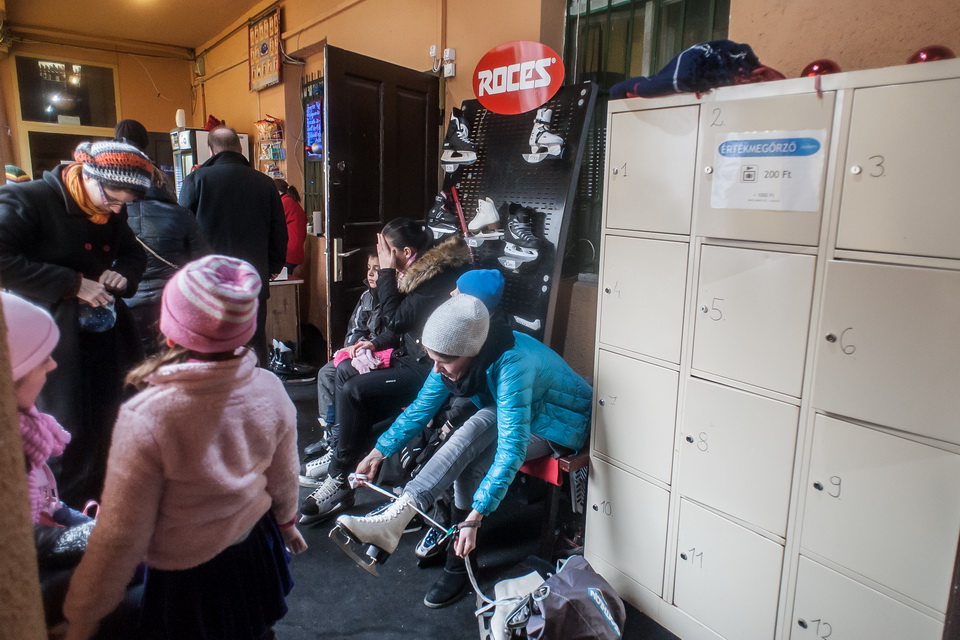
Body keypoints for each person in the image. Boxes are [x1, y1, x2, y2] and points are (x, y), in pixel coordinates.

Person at [61, 255, 307, 640]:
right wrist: (287, 523)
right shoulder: (269, 387)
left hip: (188, 576)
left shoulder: (148, 415)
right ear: (245, 329)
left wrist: (83, 613)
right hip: (255, 550)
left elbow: (121, 534)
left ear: (171, 332)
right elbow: (285, 474)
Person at [335, 294, 592, 608]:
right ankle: (408, 522)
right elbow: (420, 409)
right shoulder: (458, 355)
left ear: (469, 352)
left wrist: (476, 516)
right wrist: (378, 452)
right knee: (472, 431)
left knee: (476, 445)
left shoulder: (513, 363)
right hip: (518, 410)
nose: (436, 368)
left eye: (443, 361)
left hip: (558, 424)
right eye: (433, 359)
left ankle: (452, 558)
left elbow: (511, 450)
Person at [0, 140, 151, 506]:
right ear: (89, 177)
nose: (116, 210)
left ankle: (106, 506)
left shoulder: (111, 208)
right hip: (53, 339)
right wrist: (72, 283)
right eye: (112, 200)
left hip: (106, 335)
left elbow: (133, 253)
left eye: (125, 204)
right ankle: (64, 513)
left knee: (112, 418)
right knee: (66, 430)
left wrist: (123, 274)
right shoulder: (29, 200)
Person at [299, 218, 471, 523]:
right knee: (344, 371)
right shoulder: (418, 270)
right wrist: (373, 343)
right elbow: (401, 325)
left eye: (386, 251)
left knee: (355, 389)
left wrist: (387, 273)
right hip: (411, 355)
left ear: (406, 252)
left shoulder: (436, 277)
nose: (381, 258)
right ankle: (341, 461)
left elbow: (397, 319)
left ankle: (339, 476)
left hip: (429, 367)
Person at [178, 126, 287, 363]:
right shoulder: (265, 182)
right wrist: (273, 266)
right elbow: (279, 230)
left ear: (211, 150)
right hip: (253, 278)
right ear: (240, 148)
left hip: (209, 280)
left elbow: (181, 229)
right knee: (253, 343)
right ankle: (255, 384)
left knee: (212, 344)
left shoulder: (196, 180)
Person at [302, 249, 387, 465]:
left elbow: (392, 336)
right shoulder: (366, 296)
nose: (370, 274)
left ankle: (343, 439)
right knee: (326, 373)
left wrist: (368, 349)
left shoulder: (393, 298)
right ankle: (331, 434)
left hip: (381, 357)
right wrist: (352, 348)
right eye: (369, 268)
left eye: (377, 270)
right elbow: (355, 328)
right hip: (360, 352)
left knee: (345, 374)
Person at [126, 172, 209, 355]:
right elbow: (202, 261)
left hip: (128, 299)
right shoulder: (180, 214)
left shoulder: (114, 215)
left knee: (134, 359)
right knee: (173, 357)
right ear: (159, 182)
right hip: (172, 298)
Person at [275, 179, 307, 277]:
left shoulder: (284, 203)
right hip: (295, 250)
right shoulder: (291, 201)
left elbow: (271, 222)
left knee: (283, 282)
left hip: (288, 251)